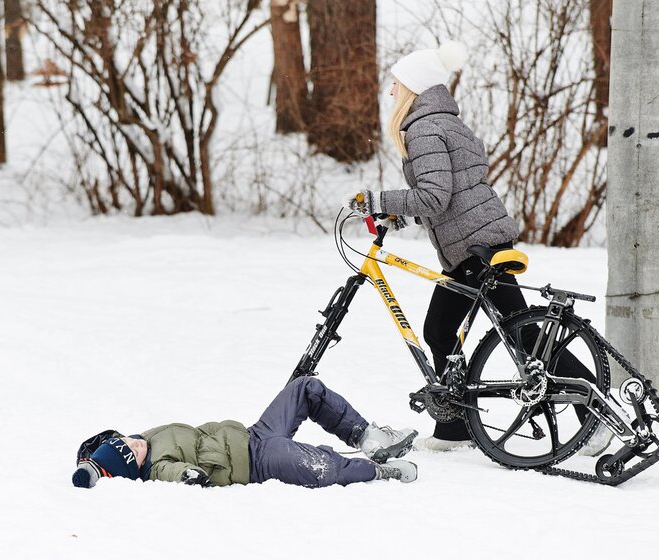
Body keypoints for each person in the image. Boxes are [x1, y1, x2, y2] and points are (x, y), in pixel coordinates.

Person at [342, 42, 612, 456]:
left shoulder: (424, 129)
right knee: (442, 330)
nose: (391, 92)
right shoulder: (447, 122)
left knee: (523, 334)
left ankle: (596, 414)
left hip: (474, 248)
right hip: (473, 244)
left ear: (413, 87)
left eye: (396, 83)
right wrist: (403, 217)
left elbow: (434, 196)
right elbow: (458, 194)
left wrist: (376, 201)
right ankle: (454, 429)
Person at [72, 377, 418, 489]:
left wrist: (93, 463)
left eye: (126, 440)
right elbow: (175, 473)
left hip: (255, 434)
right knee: (319, 466)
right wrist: (189, 475)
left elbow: (103, 456)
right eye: (132, 452)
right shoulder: (157, 467)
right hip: (257, 464)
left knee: (305, 387)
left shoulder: (147, 437)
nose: (134, 443)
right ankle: (379, 471)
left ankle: (365, 436)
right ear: (135, 468)